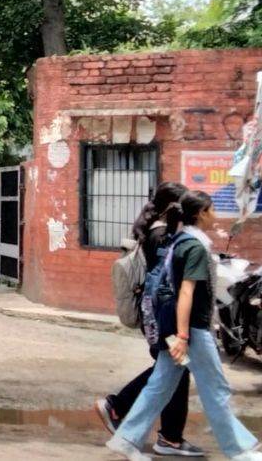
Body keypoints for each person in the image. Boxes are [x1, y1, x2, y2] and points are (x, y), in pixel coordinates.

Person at [106, 190, 261, 461]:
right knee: (216, 390)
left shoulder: (179, 241)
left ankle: (126, 440)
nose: (215, 215)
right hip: (193, 331)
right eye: (212, 210)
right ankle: (238, 450)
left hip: (176, 329)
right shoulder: (195, 247)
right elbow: (186, 292)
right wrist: (182, 336)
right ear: (201, 213)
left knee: (159, 387)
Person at [95, 182, 202, 457]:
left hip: (160, 313)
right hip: (163, 315)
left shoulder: (159, 232)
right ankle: (119, 406)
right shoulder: (160, 235)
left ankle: (169, 436)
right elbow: (168, 279)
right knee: (171, 368)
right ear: (173, 207)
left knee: (175, 369)